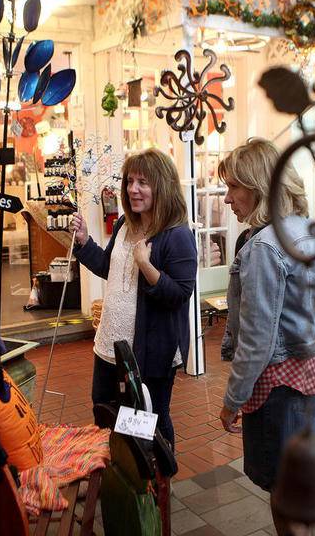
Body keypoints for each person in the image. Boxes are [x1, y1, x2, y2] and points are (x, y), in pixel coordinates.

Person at [217, 139, 315, 519]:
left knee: (284, 492)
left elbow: (257, 342)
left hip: (277, 388)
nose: (227, 198)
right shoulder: (310, 230)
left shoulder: (265, 247)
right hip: (310, 375)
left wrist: (232, 400)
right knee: (301, 485)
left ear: (258, 187)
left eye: (233, 187)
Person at [71, 148, 197, 446]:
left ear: (161, 186)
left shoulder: (176, 235)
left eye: (143, 182)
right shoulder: (124, 225)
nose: (132, 189)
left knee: (146, 420)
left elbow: (180, 294)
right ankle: (120, 476)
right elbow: (109, 268)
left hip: (149, 352)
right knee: (105, 410)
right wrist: (84, 242)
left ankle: (158, 483)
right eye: (129, 181)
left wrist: (145, 265)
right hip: (108, 344)